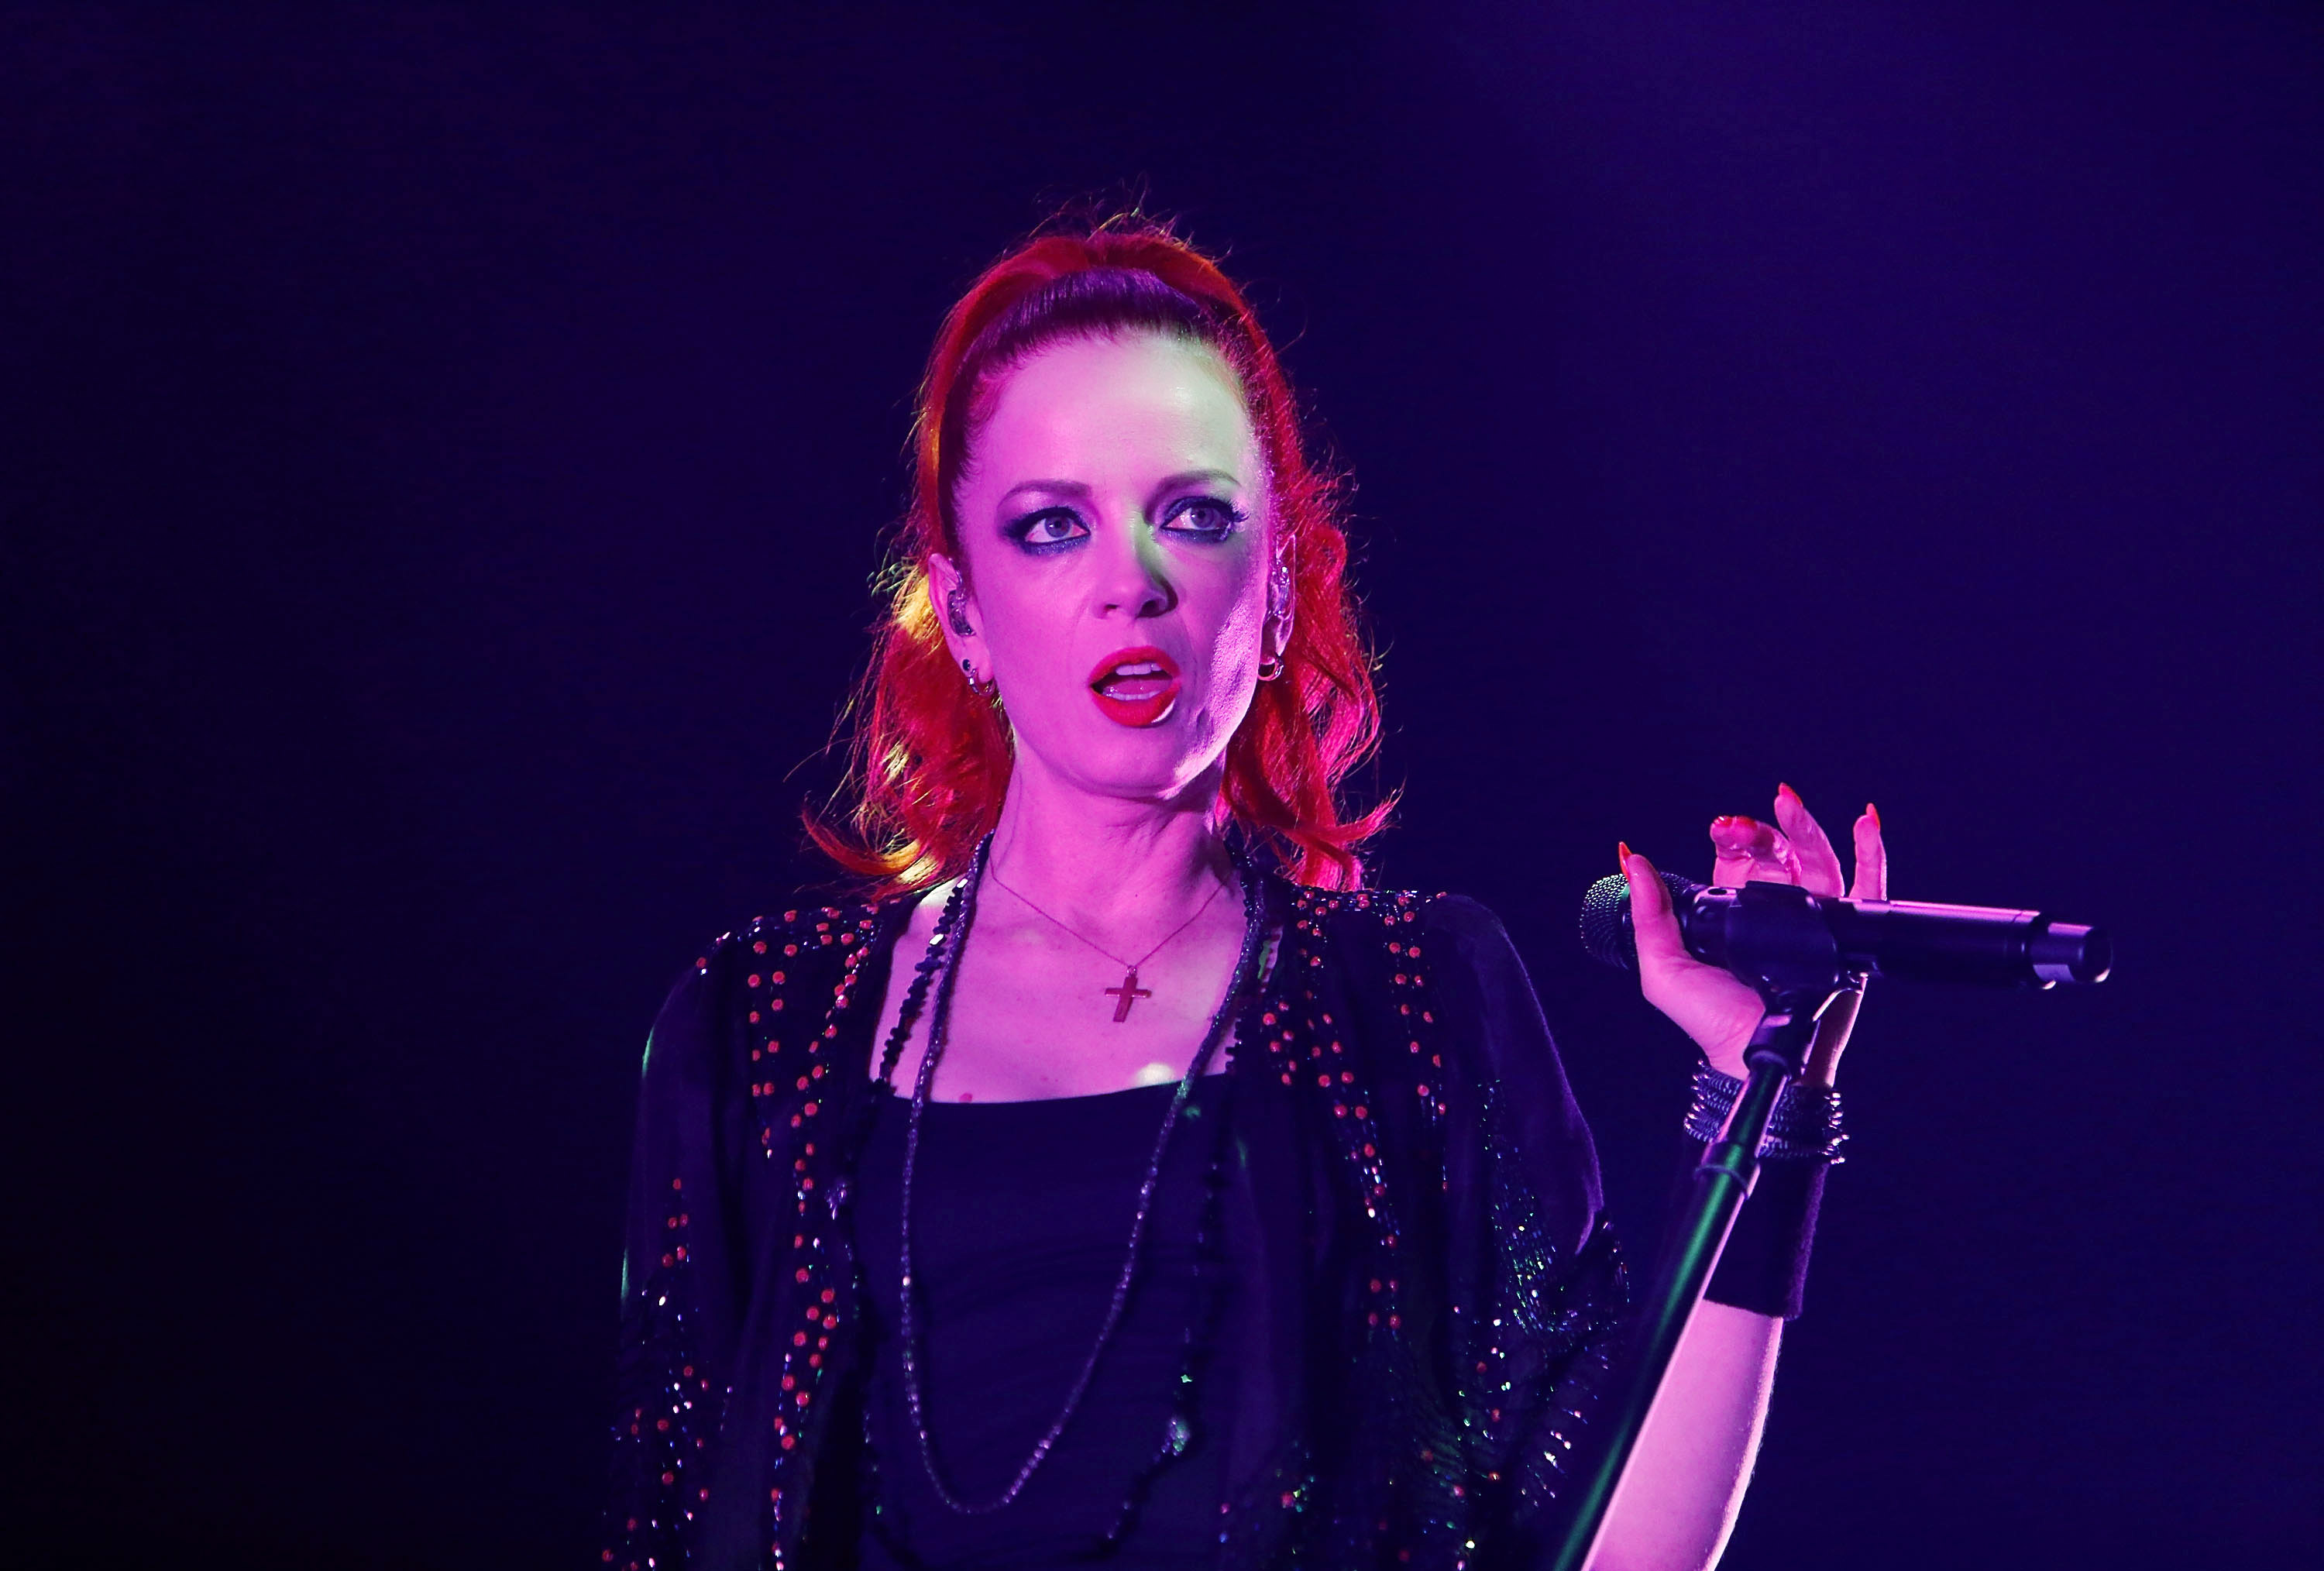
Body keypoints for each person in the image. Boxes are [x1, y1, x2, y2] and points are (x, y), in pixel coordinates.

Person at [602, 216, 1883, 1571]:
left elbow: (1620, 1551)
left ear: (1275, 585)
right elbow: (673, 1520)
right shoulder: (759, 1025)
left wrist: (1771, 1099)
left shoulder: (1417, 990)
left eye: (1195, 516)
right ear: (961, 609)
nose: (1132, 584)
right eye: (1052, 526)